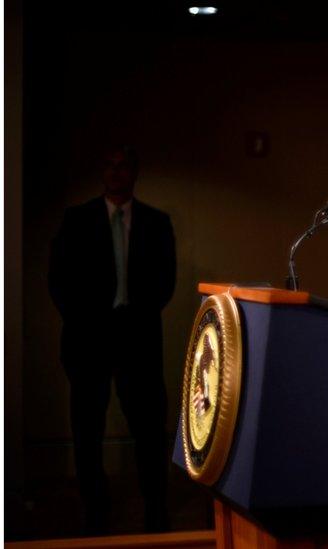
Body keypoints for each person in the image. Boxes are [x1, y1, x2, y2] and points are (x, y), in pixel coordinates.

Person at [49, 145, 176, 534]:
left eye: (123, 165)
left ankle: (155, 508)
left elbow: (165, 281)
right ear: (102, 171)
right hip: (88, 339)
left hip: (138, 339)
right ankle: (95, 510)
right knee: (87, 430)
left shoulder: (156, 221)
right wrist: (85, 319)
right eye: (109, 165)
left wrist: (136, 316)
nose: (117, 172)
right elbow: (59, 279)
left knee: (150, 429)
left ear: (134, 172)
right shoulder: (77, 219)